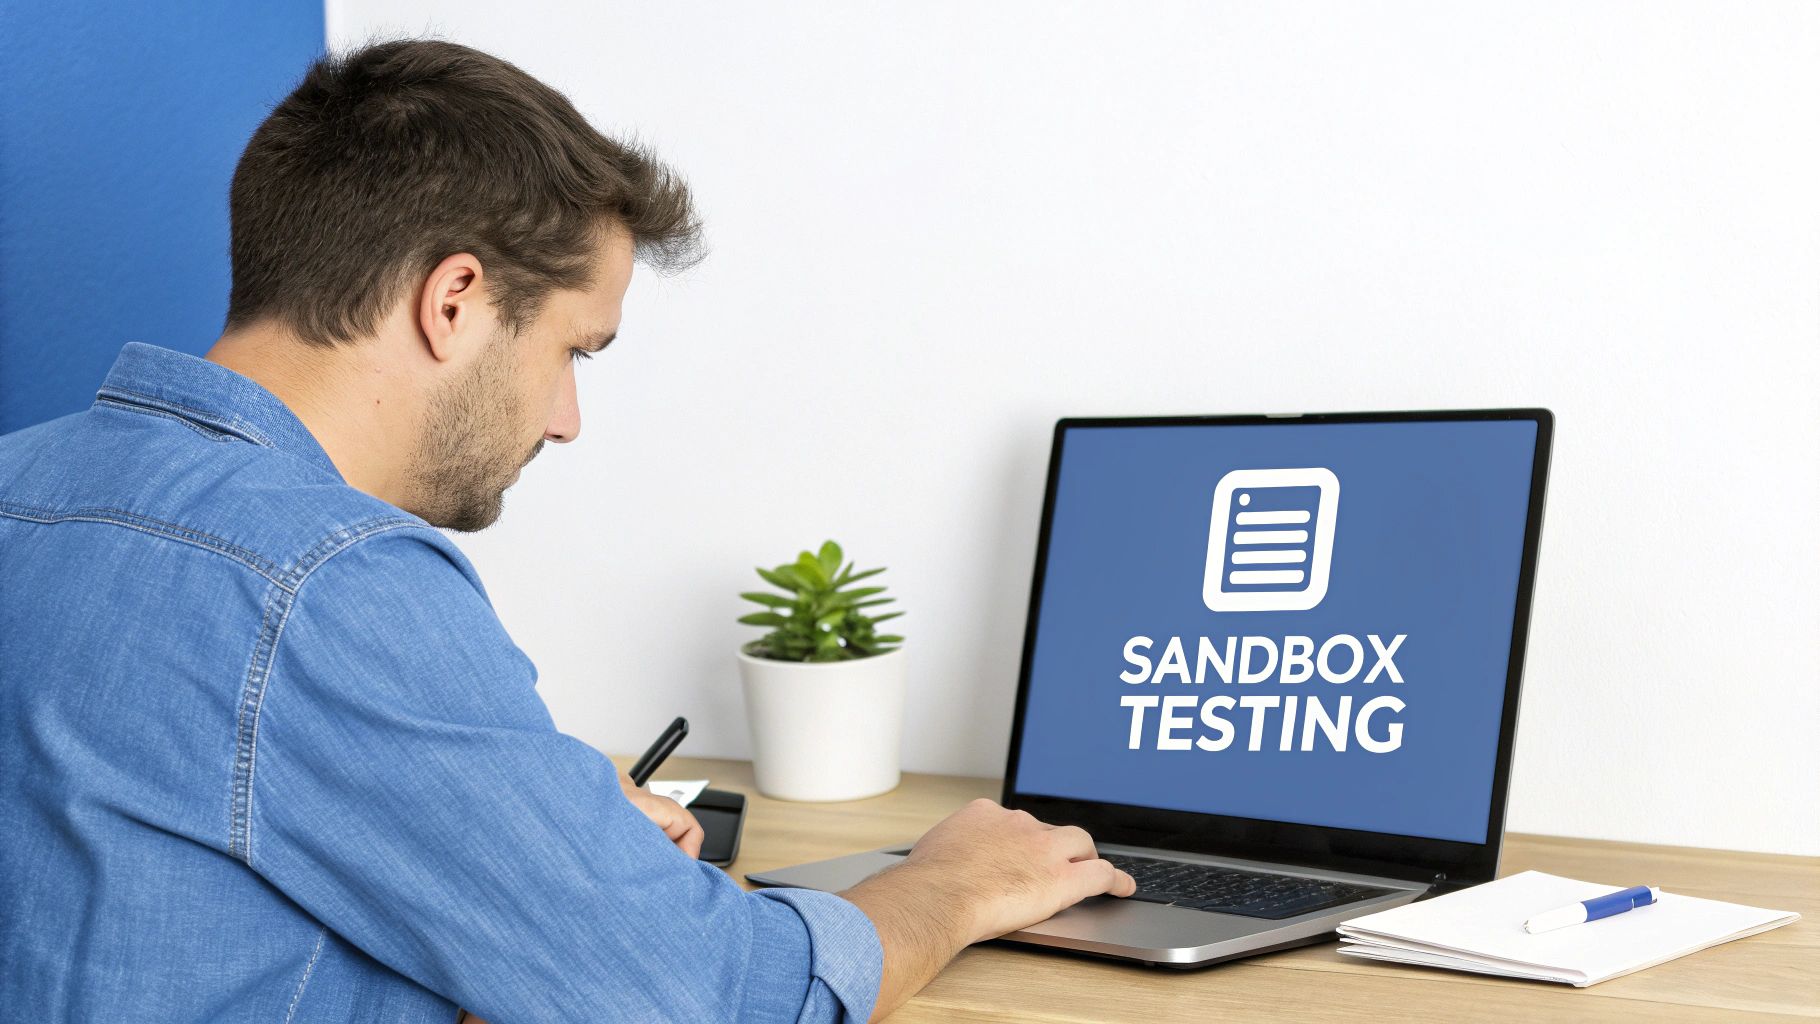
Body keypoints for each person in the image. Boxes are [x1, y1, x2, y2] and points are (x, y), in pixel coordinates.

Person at [0, 39, 1134, 1023]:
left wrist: (540, 830)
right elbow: (707, 997)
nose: (566, 420)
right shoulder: (327, 584)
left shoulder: (18, 483)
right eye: (573, 351)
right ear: (453, 302)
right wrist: (949, 881)